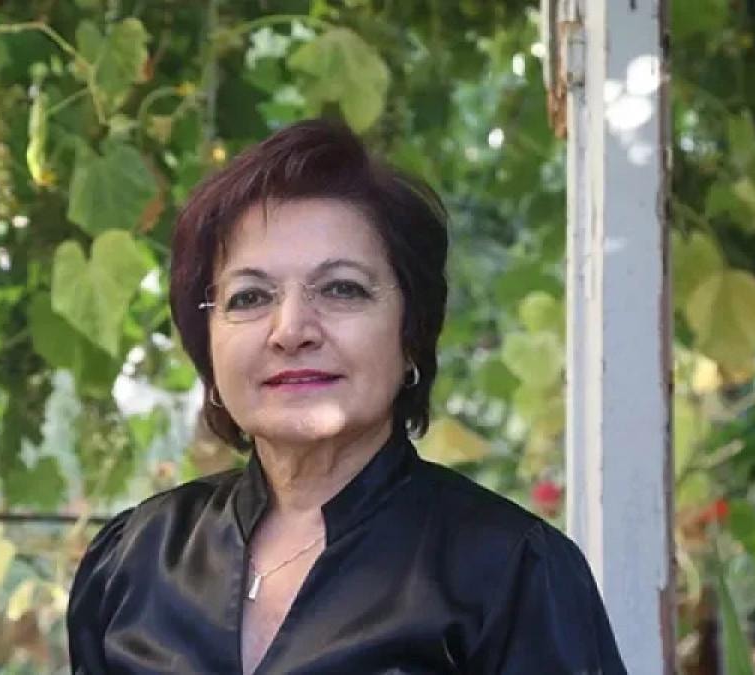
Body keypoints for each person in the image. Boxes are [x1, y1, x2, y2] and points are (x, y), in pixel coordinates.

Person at [67, 119, 626, 674]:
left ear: (411, 333)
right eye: (250, 296)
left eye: (342, 289)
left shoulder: (511, 572)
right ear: (207, 342)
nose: (291, 330)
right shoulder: (133, 561)